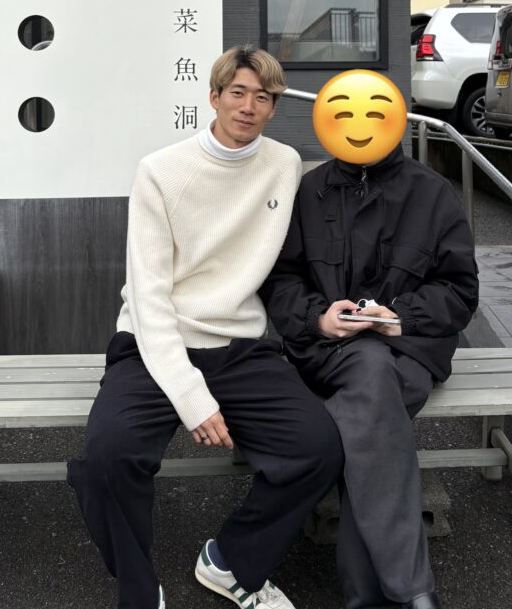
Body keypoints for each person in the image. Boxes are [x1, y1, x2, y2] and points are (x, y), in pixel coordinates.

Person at [68, 46, 343, 609]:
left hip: (241, 344)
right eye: (237, 93)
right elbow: (148, 296)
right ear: (213, 97)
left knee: (317, 448)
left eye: (262, 97)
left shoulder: (284, 164)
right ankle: (138, 590)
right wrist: (192, 398)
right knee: (108, 458)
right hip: (155, 341)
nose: (248, 106)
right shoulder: (160, 171)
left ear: (273, 108)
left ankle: (231, 562)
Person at [260, 70, 479, 609]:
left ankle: (370, 597)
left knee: (368, 401)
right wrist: (319, 318)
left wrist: (397, 316)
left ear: (397, 119)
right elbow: (280, 281)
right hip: (327, 349)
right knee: (371, 386)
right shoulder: (308, 191)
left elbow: (459, 291)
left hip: (408, 350)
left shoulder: (432, 193)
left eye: (375, 113)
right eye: (345, 113)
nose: (359, 124)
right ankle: (411, 589)